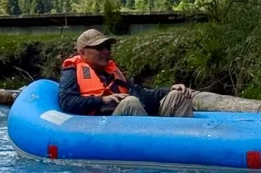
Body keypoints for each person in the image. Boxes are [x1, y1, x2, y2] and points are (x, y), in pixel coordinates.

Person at [58, 28, 195, 118]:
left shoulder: (111, 73)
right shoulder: (72, 71)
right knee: (130, 102)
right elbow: (67, 102)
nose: (106, 52)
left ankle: (187, 147)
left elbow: (142, 95)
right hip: (102, 123)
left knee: (178, 95)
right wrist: (102, 100)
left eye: (108, 47)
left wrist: (169, 90)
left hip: (132, 117)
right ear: (82, 52)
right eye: (100, 48)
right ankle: (150, 149)